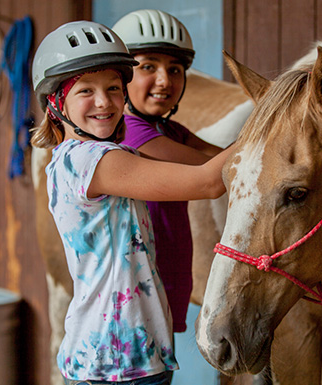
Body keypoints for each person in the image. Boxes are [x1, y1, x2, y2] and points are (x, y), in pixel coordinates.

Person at [31, 20, 234, 385]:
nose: (104, 102)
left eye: (113, 88)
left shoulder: (86, 156)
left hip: (127, 352)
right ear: (56, 102)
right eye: (85, 91)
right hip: (115, 360)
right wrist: (273, 127)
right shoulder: (94, 161)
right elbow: (207, 182)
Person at [112, 9, 222, 335]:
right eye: (148, 67)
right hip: (137, 299)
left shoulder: (171, 130)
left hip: (166, 289)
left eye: (175, 69)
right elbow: (216, 168)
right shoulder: (132, 133)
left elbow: (222, 154)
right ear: (121, 75)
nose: (165, 80)